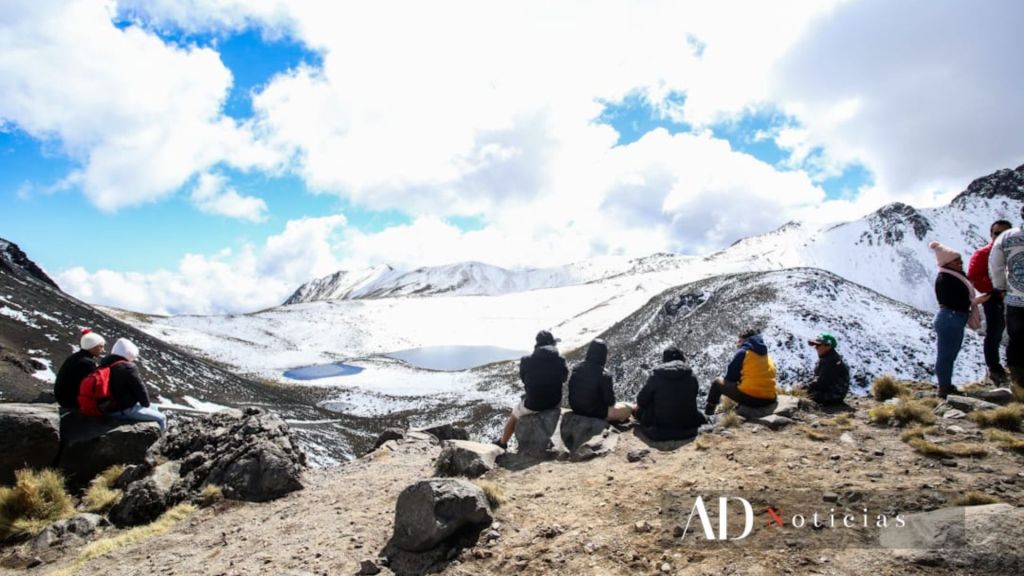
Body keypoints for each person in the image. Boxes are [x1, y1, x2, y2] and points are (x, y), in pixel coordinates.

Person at [931, 241, 989, 398]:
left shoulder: (951, 277)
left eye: (960, 260)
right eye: (956, 261)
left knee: (949, 354)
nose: (960, 263)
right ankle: (944, 388)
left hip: (953, 319)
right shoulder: (945, 279)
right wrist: (977, 301)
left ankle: (946, 386)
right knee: (946, 355)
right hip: (951, 318)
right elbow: (955, 301)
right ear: (947, 263)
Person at [495, 330, 568, 449]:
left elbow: (524, 379)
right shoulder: (560, 359)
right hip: (554, 402)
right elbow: (564, 378)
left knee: (515, 414)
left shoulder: (526, 360)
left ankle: (502, 443)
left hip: (533, 404)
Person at [968, 219, 1013, 385]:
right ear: (991, 234)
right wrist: (997, 290)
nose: (1001, 236)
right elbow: (974, 276)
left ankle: (1015, 365)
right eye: (997, 233)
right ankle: (994, 367)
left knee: (1016, 332)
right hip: (994, 299)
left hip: (1016, 297)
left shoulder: (1016, 251)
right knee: (995, 332)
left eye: (1005, 233)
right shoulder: (982, 253)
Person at [634, 345, 706, 440]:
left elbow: (641, 401)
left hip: (660, 430)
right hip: (688, 426)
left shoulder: (656, 375)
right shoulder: (691, 375)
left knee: (638, 409)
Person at [704, 329, 777, 415]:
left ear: (745, 340)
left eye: (739, 341)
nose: (737, 344)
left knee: (716, 383)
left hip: (753, 399)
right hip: (770, 398)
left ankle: (708, 413)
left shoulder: (743, 352)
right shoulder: (765, 354)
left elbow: (731, 378)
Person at [989, 210, 1024, 390]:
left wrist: (1001, 287)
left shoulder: (1006, 237)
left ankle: (1018, 384)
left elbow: (996, 266)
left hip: (1016, 299)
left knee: (1016, 339)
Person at [100, 338, 166, 431]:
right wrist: (145, 404)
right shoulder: (128, 367)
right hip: (121, 409)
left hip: (106, 407)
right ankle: (160, 443)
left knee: (154, 407)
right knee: (162, 418)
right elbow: (140, 389)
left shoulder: (104, 363)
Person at [567, 339, 633, 422]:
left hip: (575, 408)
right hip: (595, 413)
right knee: (628, 408)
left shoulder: (576, 368)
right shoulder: (604, 375)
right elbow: (610, 402)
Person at [53, 328, 105, 413]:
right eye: (101, 346)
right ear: (92, 346)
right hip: (71, 402)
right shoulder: (87, 363)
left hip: (63, 399)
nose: (103, 350)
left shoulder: (76, 357)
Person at [797, 332, 850, 405]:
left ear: (828, 346)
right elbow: (817, 378)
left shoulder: (831, 361)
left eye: (818, 345)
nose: (816, 348)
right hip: (830, 392)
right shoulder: (827, 358)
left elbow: (821, 382)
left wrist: (804, 387)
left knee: (805, 394)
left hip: (833, 396)